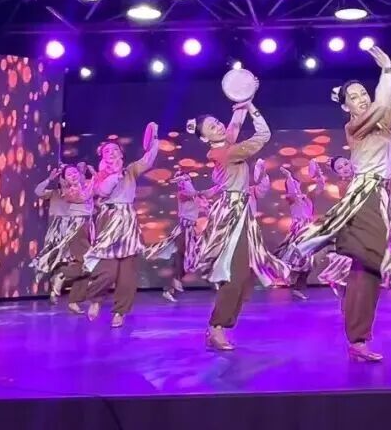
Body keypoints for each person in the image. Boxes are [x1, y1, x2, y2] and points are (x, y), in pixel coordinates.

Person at [292, 45, 391, 363]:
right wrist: (386, 71)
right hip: (364, 195)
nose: (361, 98)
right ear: (346, 107)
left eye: (362, 93)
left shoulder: (383, 122)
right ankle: (354, 316)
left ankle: (357, 337)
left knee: (368, 270)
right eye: (353, 97)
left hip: (380, 196)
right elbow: (383, 102)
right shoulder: (355, 127)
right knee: (378, 259)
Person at [188, 98, 292, 352]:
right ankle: (216, 327)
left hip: (241, 211)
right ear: (204, 138)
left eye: (216, 122)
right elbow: (263, 135)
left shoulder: (226, 145)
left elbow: (233, 125)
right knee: (234, 274)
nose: (218, 126)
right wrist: (252, 107)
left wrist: (244, 101)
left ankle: (219, 326)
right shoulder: (227, 152)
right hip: (231, 214)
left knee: (244, 277)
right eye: (211, 127)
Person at [68, 124, 159, 328]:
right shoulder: (100, 176)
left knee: (127, 274)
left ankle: (120, 311)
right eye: (107, 151)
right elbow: (101, 192)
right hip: (108, 220)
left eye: (115, 150)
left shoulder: (130, 170)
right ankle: (95, 299)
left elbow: (148, 159)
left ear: (121, 154)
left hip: (127, 221)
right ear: (102, 156)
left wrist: (154, 140)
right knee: (107, 271)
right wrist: (114, 176)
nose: (111, 153)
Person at [30, 163, 95, 302]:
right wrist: (49, 179)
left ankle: (63, 282)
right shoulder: (59, 193)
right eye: (69, 174)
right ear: (63, 178)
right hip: (65, 230)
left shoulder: (86, 188)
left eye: (75, 172)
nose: (73, 175)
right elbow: (38, 191)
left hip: (83, 227)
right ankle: (60, 279)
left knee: (80, 261)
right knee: (73, 259)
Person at [144, 173, 212, 302]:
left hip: (190, 229)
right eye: (182, 181)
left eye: (186, 179)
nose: (185, 183)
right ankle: (173, 284)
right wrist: (202, 193)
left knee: (188, 259)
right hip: (183, 229)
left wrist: (217, 189)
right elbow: (193, 194)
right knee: (183, 256)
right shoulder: (183, 194)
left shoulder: (194, 196)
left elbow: (203, 199)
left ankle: (171, 287)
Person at [274, 164, 322, 301]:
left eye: (295, 181)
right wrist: (288, 177)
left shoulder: (306, 197)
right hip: (299, 230)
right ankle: (288, 279)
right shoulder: (292, 198)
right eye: (291, 183)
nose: (294, 183)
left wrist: (318, 175)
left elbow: (319, 188)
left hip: (308, 229)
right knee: (295, 259)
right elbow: (293, 192)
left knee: (308, 262)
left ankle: (298, 288)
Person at [315, 156, 354, 299]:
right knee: (349, 261)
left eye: (346, 164)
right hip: (352, 222)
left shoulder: (360, 178)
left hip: (364, 221)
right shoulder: (343, 184)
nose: (345, 168)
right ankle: (344, 297)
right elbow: (349, 206)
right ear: (337, 173)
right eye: (340, 168)